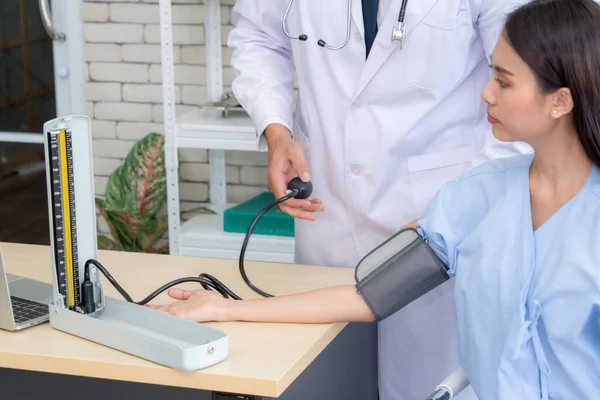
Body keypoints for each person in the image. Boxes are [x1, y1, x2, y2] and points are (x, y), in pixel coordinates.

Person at [151, 0, 600, 397]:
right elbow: (369, 296)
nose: (485, 91)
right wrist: (226, 309)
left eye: (500, 80)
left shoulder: (529, 207)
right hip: (344, 219)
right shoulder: (471, 203)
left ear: (560, 101)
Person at [219, 1, 533, 399]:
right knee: (325, 374)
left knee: (429, 382)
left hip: (441, 213)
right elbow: (258, 35)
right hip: (328, 204)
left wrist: (466, 205)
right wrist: (276, 130)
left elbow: (528, 78)